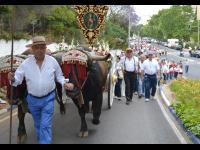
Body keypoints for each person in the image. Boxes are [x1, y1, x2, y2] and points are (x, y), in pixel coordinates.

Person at [8, 36, 74, 144]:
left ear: (45, 48)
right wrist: (12, 78)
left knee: (45, 125)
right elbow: (17, 80)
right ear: (33, 49)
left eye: (42, 47)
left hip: (48, 98)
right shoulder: (26, 63)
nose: (39, 50)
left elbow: (59, 76)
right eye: (37, 48)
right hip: (32, 100)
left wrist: (65, 83)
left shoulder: (52, 61)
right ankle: (42, 140)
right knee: (38, 125)